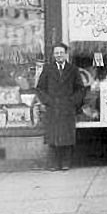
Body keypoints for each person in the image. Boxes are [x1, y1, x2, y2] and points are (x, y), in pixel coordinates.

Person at [35, 42, 85, 171]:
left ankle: (65, 163)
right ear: (53, 55)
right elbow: (40, 88)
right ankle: (53, 163)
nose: (58, 55)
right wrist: (48, 101)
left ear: (66, 54)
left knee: (67, 138)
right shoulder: (48, 69)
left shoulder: (73, 69)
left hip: (67, 108)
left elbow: (80, 89)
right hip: (53, 108)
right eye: (56, 53)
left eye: (61, 53)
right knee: (53, 137)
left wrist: (73, 102)